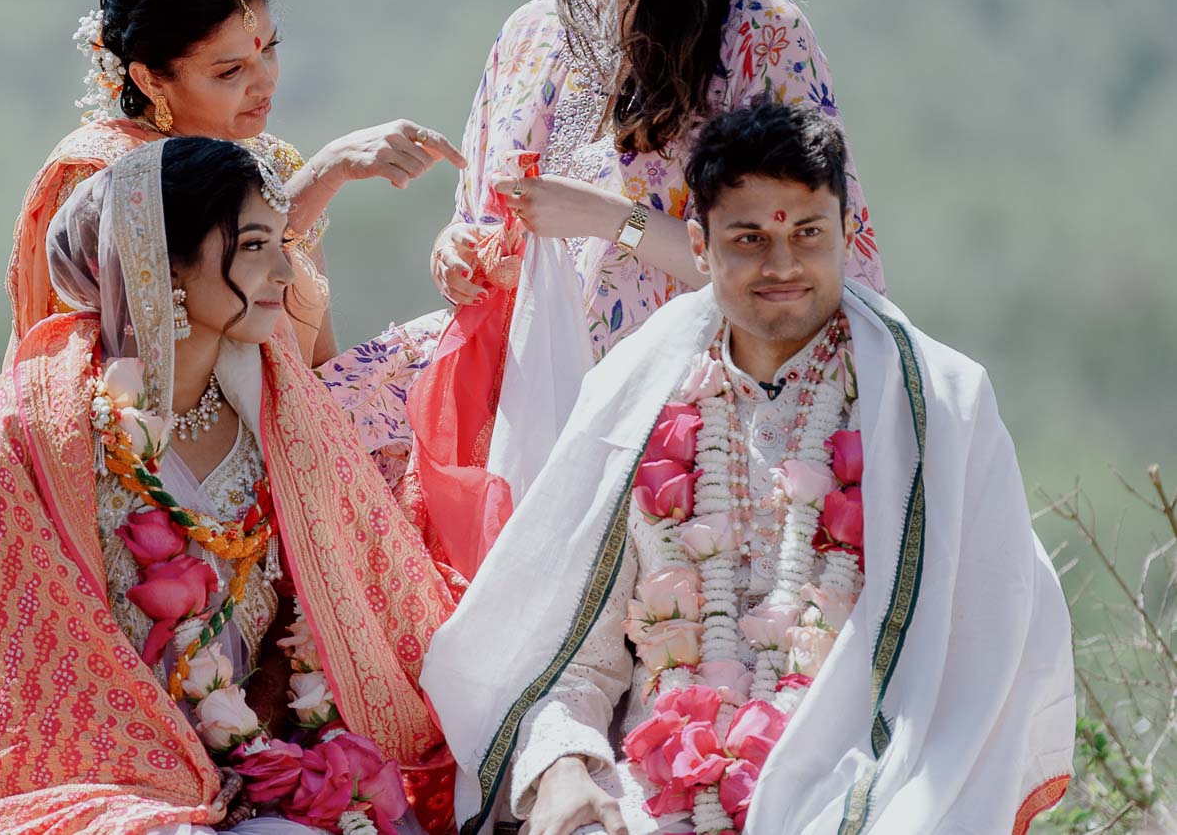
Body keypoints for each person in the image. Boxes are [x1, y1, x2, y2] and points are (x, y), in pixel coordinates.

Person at [421, 102, 1073, 835]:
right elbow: (574, 656)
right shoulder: (635, 398)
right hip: (656, 797)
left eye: (808, 234)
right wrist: (565, 769)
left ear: (845, 235)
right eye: (750, 238)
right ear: (699, 246)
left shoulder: (934, 406)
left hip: (870, 789)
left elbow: (987, 654)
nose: (783, 264)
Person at [326, 0, 887, 576]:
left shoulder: (756, 34)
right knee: (325, 425)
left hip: (680, 386)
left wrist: (602, 218)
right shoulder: (527, 36)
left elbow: (813, 264)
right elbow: (475, 217)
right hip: (515, 372)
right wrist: (458, 252)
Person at [0, 138, 461, 834]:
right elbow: (16, 658)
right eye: (255, 245)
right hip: (107, 777)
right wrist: (175, 775)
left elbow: (333, 595)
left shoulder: (279, 407)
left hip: (271, 762)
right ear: (162, 261)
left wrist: (259, 737)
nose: (287, 271)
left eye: (281, 244)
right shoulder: (43, 416)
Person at [7, 0, 465, 368]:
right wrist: (322, 177)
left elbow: (316, 364)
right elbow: (116, 373)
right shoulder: (100, 174)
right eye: (230, 71)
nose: (265, 82)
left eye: (270, 49)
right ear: (149, 78)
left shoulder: (275, 160)